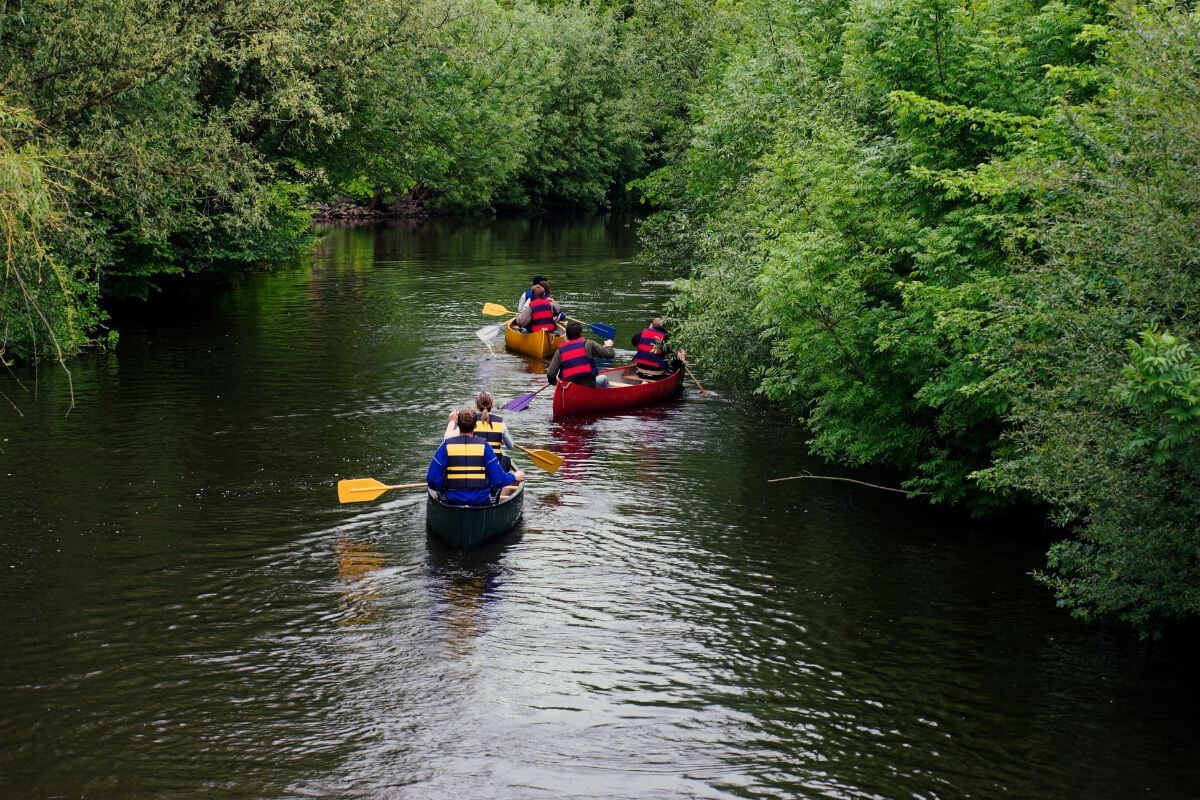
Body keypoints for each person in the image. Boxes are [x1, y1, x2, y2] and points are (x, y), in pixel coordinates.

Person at [428, 408, 525, 506]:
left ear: (458, 425)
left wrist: (442, 488)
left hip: (451, 499)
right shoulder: (485, 447)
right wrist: (514, 476)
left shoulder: (445, 446)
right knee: (495, 485)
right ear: (475, 426)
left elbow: (432, 480)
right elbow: (498, 480)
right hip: (481, 500)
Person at [442, 391, 515, 471]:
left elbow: (447, 439)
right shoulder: (501, 423)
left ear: (477, 405)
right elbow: (510, 446)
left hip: (474, 464)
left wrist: (452, 421)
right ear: (492, 404)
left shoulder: (470, 420)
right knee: (506, 460)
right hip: (494, 467)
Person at [547, 321, 615, 388]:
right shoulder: (589, 344)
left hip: (567, 386)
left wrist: (555, 383)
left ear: (567, 334)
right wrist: (609, 346)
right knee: (604, 378)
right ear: (580, 333)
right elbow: (610, 355)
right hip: (588, 384)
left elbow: (550, 373)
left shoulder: (560, 350)